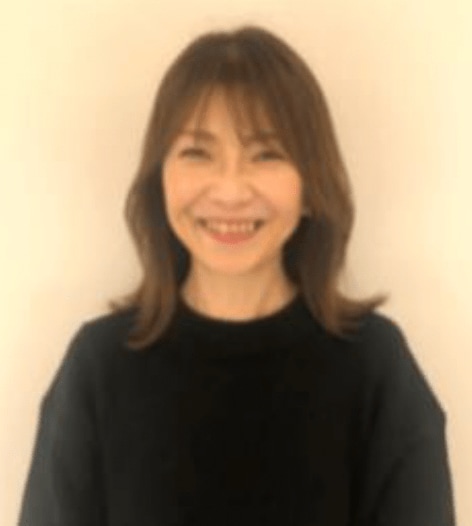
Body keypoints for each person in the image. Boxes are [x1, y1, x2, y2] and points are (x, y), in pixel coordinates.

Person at [17, 24, 456, 525]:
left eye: (266, 154)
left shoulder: (376, 369)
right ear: (161, 179)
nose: (229, 191)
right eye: (197, 153)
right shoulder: (97, 368)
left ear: (311, 187)